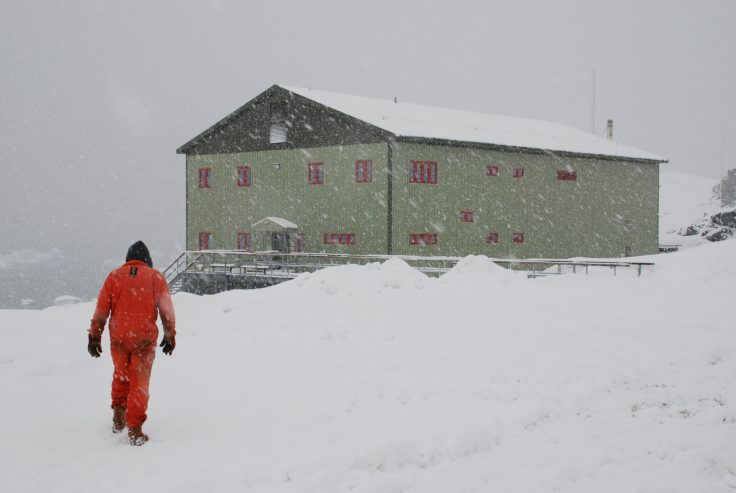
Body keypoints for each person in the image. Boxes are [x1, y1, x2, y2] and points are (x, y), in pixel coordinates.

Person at [87, 241, 176, 446]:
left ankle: (119, 417)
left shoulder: (115, 276)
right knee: (139, 383)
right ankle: (134, 429)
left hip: (119, 338)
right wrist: (170, 335)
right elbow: (167, 311)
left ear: (128, 259)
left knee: (121, 373)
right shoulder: (155, 277)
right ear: (147, 260)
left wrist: (94, 336)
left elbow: (102, 310)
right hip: (144, 340)